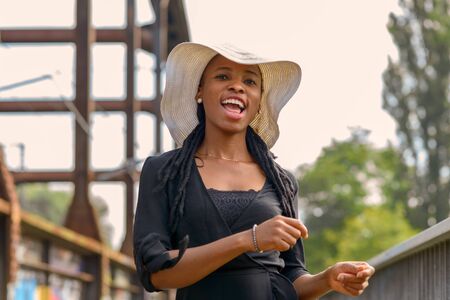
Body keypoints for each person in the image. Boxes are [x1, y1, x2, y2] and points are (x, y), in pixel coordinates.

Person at [133, 42, 375, 300]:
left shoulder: (281, 181)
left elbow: (291, 276)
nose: (237, 86)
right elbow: (156, 272)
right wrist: (249, 239)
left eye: (250, 82)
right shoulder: (165, 172)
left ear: (259, 102)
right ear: (199, 91)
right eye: (223, 76)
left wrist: (326, 279)